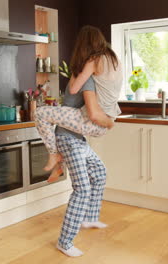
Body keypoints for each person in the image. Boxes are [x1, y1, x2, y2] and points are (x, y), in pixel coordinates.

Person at [35, 25, 122, 180]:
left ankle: (54, 155)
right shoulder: (114, 60)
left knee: (40, 113)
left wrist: (78, 66)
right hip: (107, 118)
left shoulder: (93, 60)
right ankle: (59, 165)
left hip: (94, 120)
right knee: (66, 128)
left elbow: (74, 88)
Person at [53, 77, 112, 257]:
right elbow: (93, 113)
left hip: (78, 139)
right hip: (68, 139)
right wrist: (110, 122)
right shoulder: (85, 80)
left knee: (100, 172)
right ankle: (64, 241)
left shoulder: (88, 78)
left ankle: (89, 218)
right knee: (82, 189)